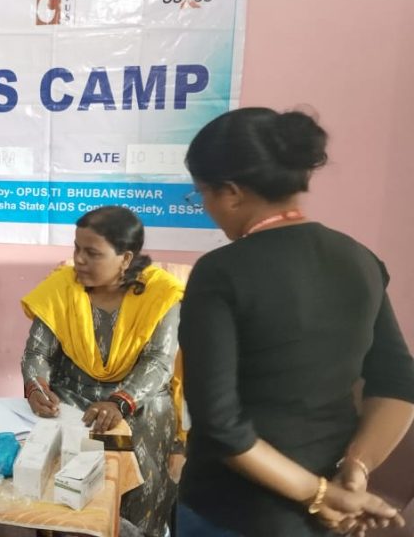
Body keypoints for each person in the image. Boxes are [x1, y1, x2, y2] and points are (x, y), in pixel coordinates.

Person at [177, 107, 414, 536]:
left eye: (202, 195)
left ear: (232, 193)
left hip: (232, 509)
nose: (206, 207)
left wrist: (318, 495)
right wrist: (356, 469)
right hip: (324, 513)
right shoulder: (359, 260)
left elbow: (220, 424)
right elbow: (399, 383)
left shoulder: (222, 272)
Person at [21, 205, 183, 537]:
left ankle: (139, 530)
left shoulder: (161, 293)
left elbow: (158, 362)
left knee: (140, 466)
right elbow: (37, 352)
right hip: (71, 395)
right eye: (77, 249)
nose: (79, 260)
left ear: (126, 258)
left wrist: (120, 401)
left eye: (92, 253)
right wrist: (37, 388)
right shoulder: (61, 288)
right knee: (54, 459)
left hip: (138, 400)